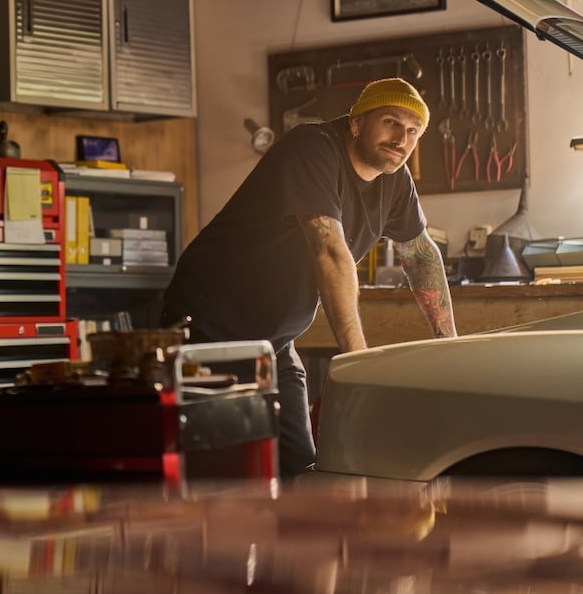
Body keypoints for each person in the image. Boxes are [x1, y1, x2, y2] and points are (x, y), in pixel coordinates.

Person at [160, 77, 456, 479]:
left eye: (412, 131)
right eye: (390, 121)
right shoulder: (312, 148)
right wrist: (359, 364)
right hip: (208, 333)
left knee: (302, 469)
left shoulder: (396, 180)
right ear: (356, 123)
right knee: (218, 478)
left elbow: (420, 256)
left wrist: (450, 346)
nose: (401, 139)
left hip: (273, 343)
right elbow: (331, 252)